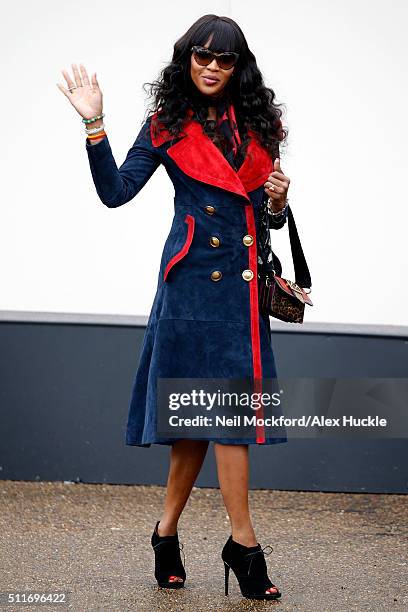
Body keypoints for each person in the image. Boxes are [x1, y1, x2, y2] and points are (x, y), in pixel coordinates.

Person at [57, 13, 291, 601]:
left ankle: (210, 539)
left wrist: (279, 205)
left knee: (227, 421)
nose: (212, 68)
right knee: (194, 423)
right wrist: (94, 124)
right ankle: (209, 540)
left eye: (224, 59)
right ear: (186, 59)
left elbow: (260, 217)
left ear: (239, 67)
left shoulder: (262, 127)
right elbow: (115, 193)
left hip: (237, 293)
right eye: (202, 57)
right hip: (190, 290)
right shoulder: (165, 126)